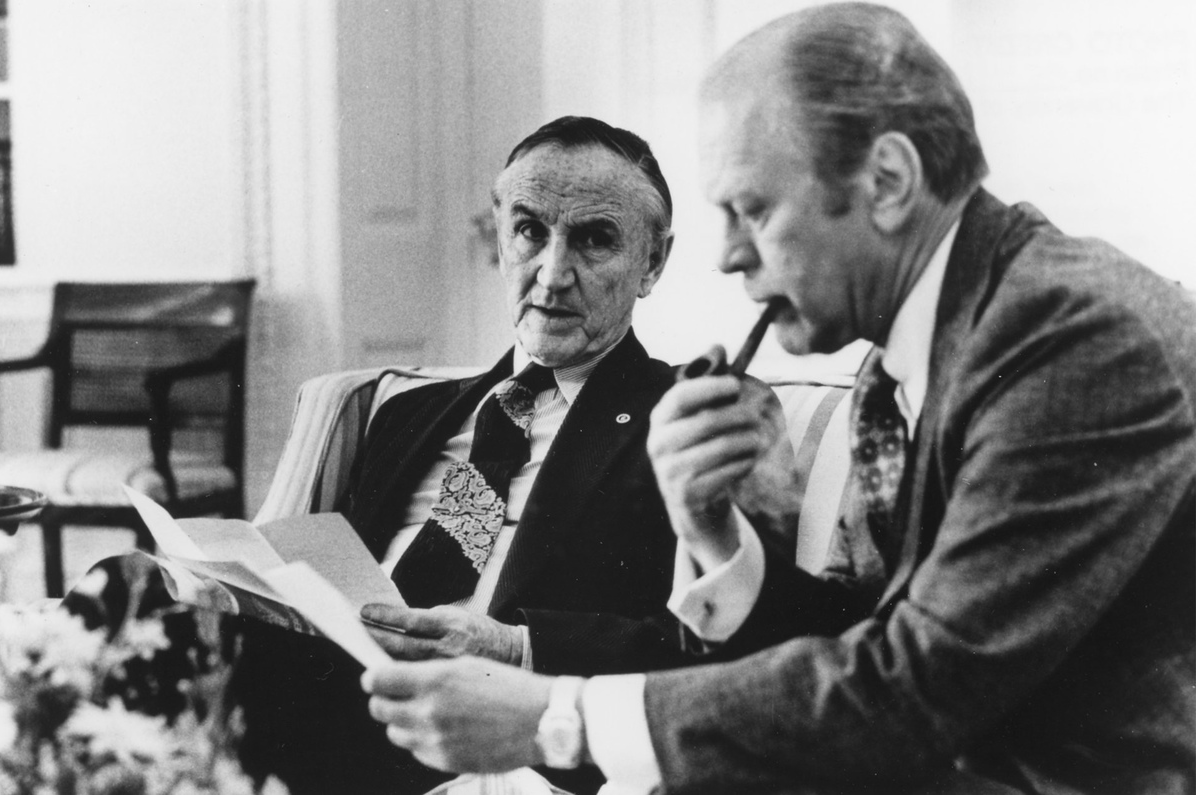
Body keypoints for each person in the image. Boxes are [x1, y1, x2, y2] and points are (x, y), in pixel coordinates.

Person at [361, 5, 1196, 794]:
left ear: (889, 179)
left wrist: (557, 716)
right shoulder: (905, 353)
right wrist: (719, 535)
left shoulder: (1073, 334)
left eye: (752, 210)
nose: (728, 257)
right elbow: (856, 637)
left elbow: (916, 684)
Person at [226, 116, 693, 795]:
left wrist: (507, 644)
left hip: (505, 747)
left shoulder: (679, 416)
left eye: (595, 240)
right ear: (499, 238)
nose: (553, 274)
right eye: (530, 230)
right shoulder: (408, 413)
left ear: (652, 262)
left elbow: (702, 650)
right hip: (338, 709)